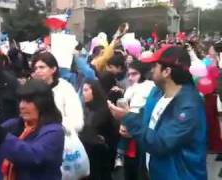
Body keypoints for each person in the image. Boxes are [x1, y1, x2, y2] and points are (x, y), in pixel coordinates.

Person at [108, 46, 207, 180]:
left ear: (166, 71)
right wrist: (130, 124)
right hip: (152, 172)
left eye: (154, 65)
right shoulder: (156, 92)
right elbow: (147, 120)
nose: (151, 70)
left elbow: (162, 143)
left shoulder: (189, 106)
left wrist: (128, 118)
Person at [0, 79, 64, 180]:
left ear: (43, 103)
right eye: (21, 100)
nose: (22, 106)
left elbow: (31, 157)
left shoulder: (54, 131)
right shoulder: (14, 125)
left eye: (28, 101)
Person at [31, 51, 84, 133]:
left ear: (53, 69)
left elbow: (77, 122)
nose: (37, 71)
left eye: (42, 67)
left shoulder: (65, 88)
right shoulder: (32, 89)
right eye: (36, 68)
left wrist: (53, 126)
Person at [80, 79, 118, 180]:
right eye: (83, 90)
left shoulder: (104, 110)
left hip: (102, 156)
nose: (84, 93)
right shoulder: (85, 109)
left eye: (86, 90)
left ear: (95, 91)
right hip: (89, 154)